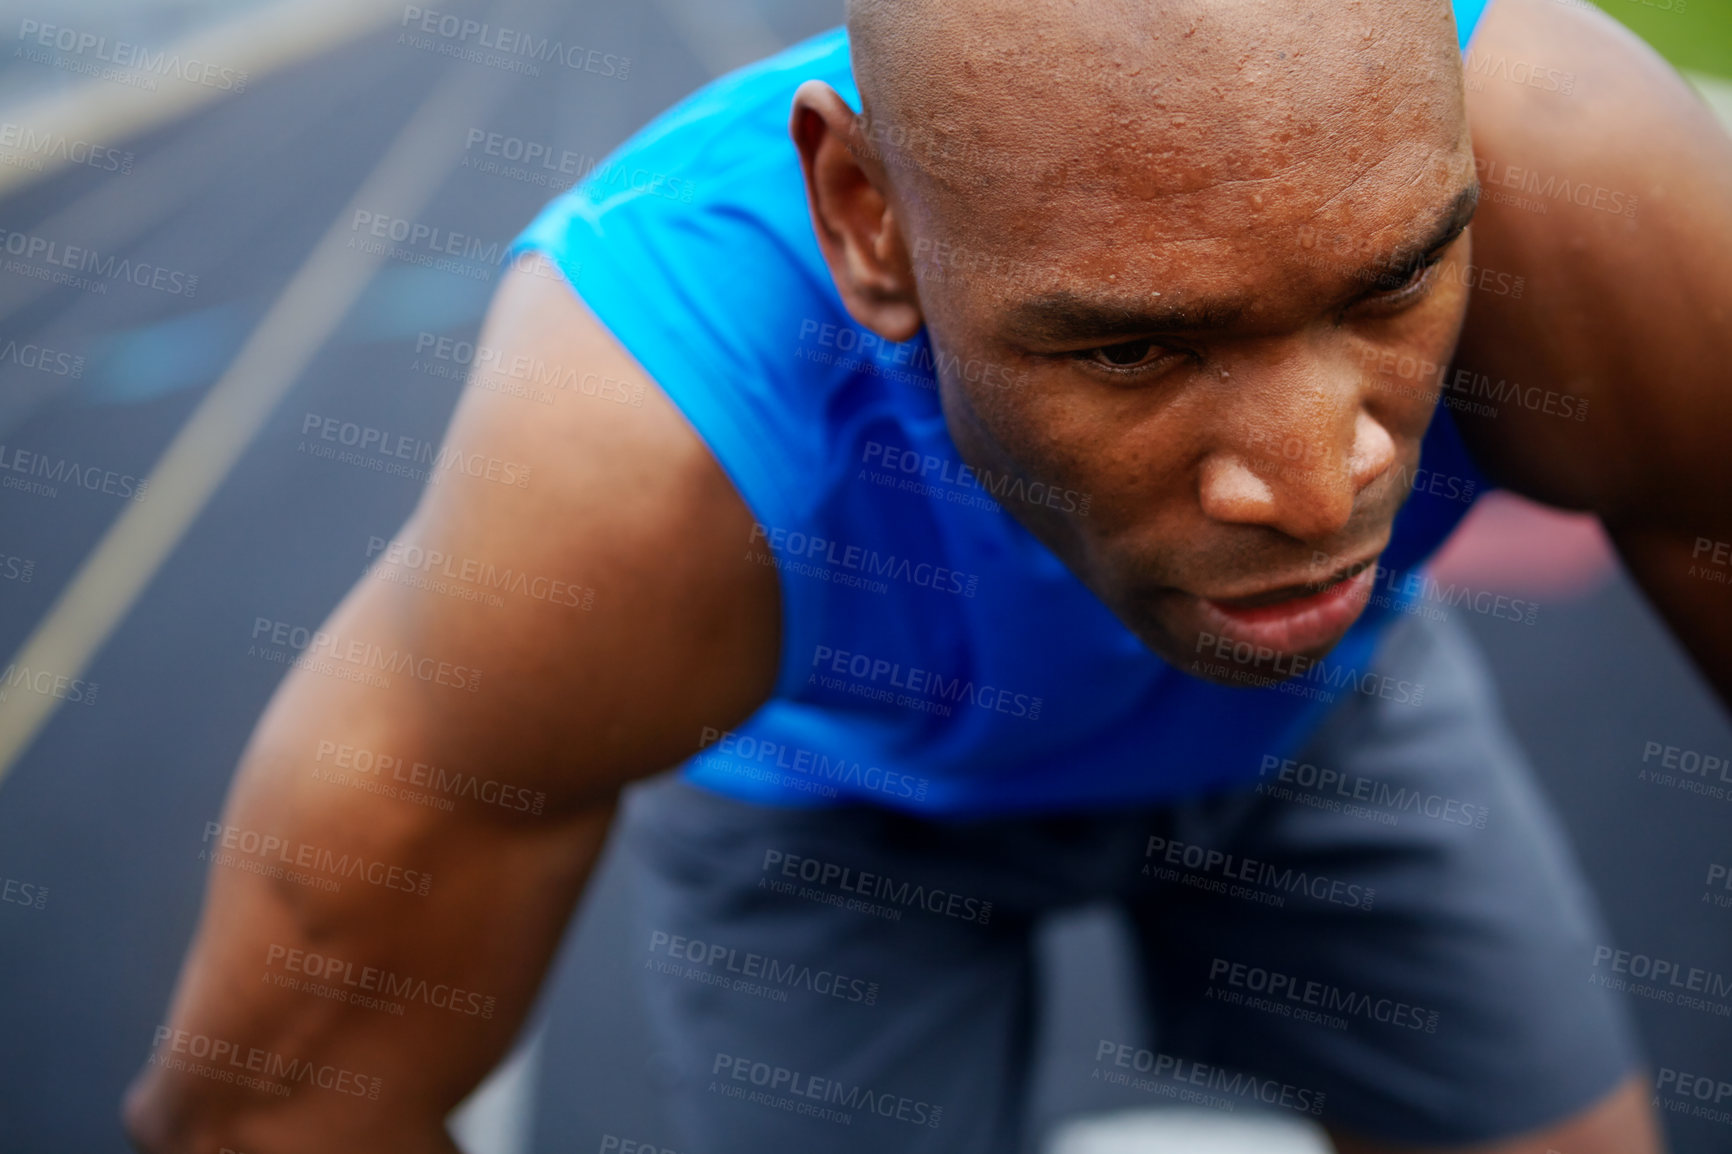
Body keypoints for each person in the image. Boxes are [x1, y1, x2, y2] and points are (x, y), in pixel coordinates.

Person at [123, 0, 1731, 1150]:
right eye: (1131, 341)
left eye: (1389, 282)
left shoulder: (1580, 185)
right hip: (829, 805)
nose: (1316, 483)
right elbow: (266, 1109)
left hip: (1316, 722)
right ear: (866, 220)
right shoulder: (636, 451)